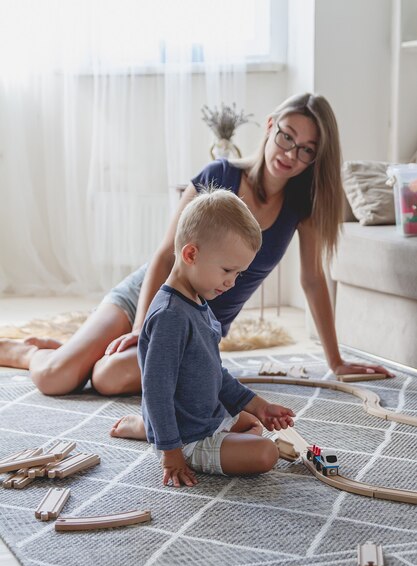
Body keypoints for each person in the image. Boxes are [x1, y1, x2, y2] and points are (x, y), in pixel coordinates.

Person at [0, 92, 391, 409]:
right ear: (271, 127)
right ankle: (27, 351)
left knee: (107, 377)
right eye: (287, 136)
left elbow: (312, 280)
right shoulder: (217, 176)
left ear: (315, 158)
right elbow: (166, 256)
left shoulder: (299, 207)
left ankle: (78, 349)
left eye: (306, 149)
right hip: (147, 296)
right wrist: (142, 329)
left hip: (197, 329)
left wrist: (335, 361)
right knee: (55, 379)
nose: (290, 154)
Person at [139, 188, 294, 486]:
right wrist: (172, 452)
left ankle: (148, 427)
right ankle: (158, 434)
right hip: (188, 437)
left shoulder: (197, 302)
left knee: (253, 423)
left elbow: (213, 373)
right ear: (191, 254)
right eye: (227, 270)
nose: (232, 283)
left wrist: (259, 405)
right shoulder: (170, 316)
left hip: (206, 417)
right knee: (265, 453)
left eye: (239, 274)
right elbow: (155, 389)